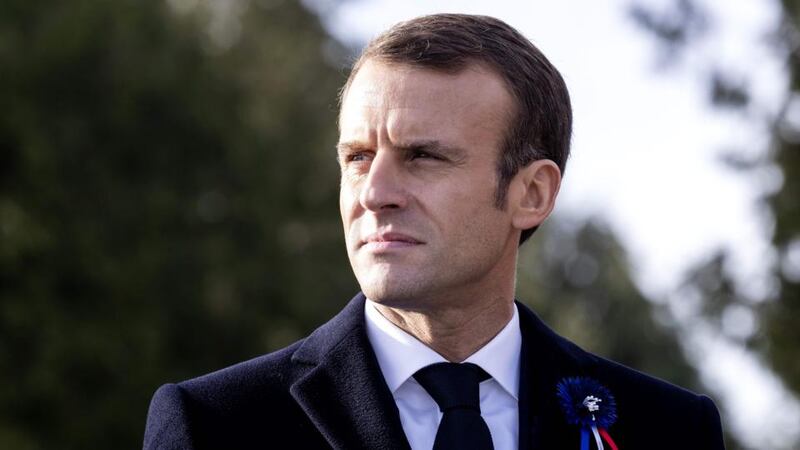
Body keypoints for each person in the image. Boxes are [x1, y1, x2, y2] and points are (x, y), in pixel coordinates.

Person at [144, 14, 725, 450]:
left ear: (532, 194)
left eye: (422, 156)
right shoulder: (216, 424)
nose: (374, 192)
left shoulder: (667, 428)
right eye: (357, 157)